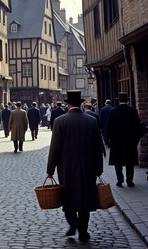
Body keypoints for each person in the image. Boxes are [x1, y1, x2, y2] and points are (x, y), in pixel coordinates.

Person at [46, 90, 103, 241]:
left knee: (68, 197)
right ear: (81, 103)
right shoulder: (91, 121)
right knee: (85, 198)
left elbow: (55, 148)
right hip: (88, 166)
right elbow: (98, 147)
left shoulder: (60, 121)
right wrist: (99, 169)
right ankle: (83, 230)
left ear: (68, 104)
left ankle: (73, 224)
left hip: (66, 167)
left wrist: (50, 170)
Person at [107, 92, 141, 188]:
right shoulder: (133, 111)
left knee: (118, 163)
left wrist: (111, 139)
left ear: (119, 101)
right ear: (128, 100)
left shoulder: (113, 112)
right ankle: (129, 181)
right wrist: (135, 140)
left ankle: (120, 180)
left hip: (117, 142)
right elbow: (138, 128)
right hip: (130, 142)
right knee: (129, 163)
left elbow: (109, 128)